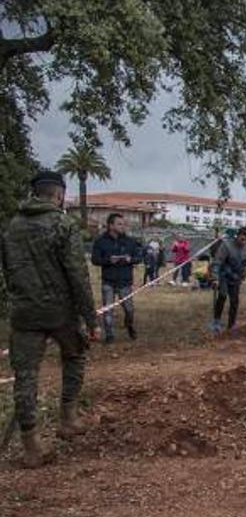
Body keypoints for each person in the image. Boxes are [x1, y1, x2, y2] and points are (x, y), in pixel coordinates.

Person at [1, 170, 99, 467]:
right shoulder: (62, 223)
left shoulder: (12, 227)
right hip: (60, 311)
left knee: (26, 375)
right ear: (58, 194)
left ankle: (31, 444)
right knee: (75, 355)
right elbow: (77, 274)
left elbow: (8, 270)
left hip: (25, 311)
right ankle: (68, 418)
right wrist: (90, 317)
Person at [90, 212, 143, 342]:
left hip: (125, 282)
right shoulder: (100, 242)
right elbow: (95, 260)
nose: (123, 226)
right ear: (110, 225)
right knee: (108, 310)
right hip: (108, 281)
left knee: (129, 310)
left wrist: (131, 259)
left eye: (124, 224)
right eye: (119, 224)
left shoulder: (130, 241)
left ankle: (129, 325)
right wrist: (108, 260)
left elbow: (139, 258)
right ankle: (110, 336)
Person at [210, 227, 246, 334]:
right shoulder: (226, 245)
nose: (244, 240)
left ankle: (231, 325)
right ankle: (216, 321)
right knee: (222, 296)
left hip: (235, 277)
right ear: (237, 236)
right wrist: (215, 278)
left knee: (234, 301)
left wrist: (243, 274)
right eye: (242, 237)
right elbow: (217, 262)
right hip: (223, 275)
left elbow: (245, 264)